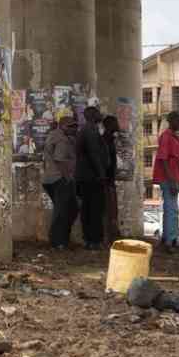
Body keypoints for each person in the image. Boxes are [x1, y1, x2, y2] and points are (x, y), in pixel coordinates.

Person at [75, 106, 108, 250]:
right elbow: (94, 154)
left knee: (88, 208)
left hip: (85, 176)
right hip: (91, 177)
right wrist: (101, 173)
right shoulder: (90, 130)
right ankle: (94, 240)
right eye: (97, 112)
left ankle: (90, 239)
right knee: (95, 208)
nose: (100, 114)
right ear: (92, 115)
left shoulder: (88, 130)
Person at [42, 117, 78, 249]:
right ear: (63, 127)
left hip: (50, 178)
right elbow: (59, 160)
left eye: (75, 126)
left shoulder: (54, 134)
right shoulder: (62, 140)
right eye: (72, 126)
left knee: (68, 209)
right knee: (64, 210)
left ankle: (61, 239)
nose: (75, 128)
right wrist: (67, 176)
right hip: (59, 179)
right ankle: (58, 242)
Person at [154, 111, 179, 251]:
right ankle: (170, 241)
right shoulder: (166, 137)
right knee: (171, 210)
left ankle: (169, 238)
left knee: (172, 210)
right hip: (167, 179)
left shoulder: (174, 137)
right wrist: (172, 181)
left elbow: (175, 163)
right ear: (172, 121)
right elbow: (164, 160)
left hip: (172, 178)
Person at [101, 115, 120, 243]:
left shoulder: (110, 140)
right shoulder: (105, 140)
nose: (117, 125)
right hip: (106, 180)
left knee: (112, 210)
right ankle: (108, 237)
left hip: (109, 180)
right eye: (115, 123)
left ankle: (111, 236)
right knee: (108, 210)